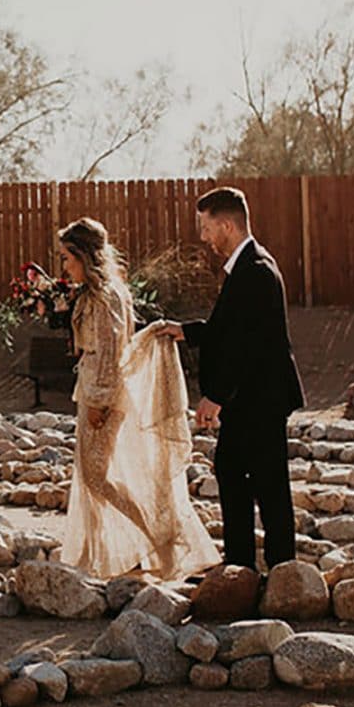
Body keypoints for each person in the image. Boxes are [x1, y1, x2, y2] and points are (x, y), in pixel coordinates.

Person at [58, 216, 218, 580]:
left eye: (68, 257)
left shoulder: (105, 296)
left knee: (96, 477)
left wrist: (100, 402)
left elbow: (112, 351)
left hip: (103, 397)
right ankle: (94, 554)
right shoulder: (96, 293)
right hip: (91, 392)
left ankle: (156, 535)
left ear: (84, 256)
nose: (64, 266)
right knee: (89, 475)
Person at [155, 187, 305, 569]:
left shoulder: (255, 270)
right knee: (236, 474)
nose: (203, 237)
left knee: (265, 484)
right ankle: (245, 568)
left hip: (259, 399)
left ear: (226, 225)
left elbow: (247, 343)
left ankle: (277, 570)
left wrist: (216, 396)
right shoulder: (247, 266)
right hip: (253, 397)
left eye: (206, 228)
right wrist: (184, 330)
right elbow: (228, 328)